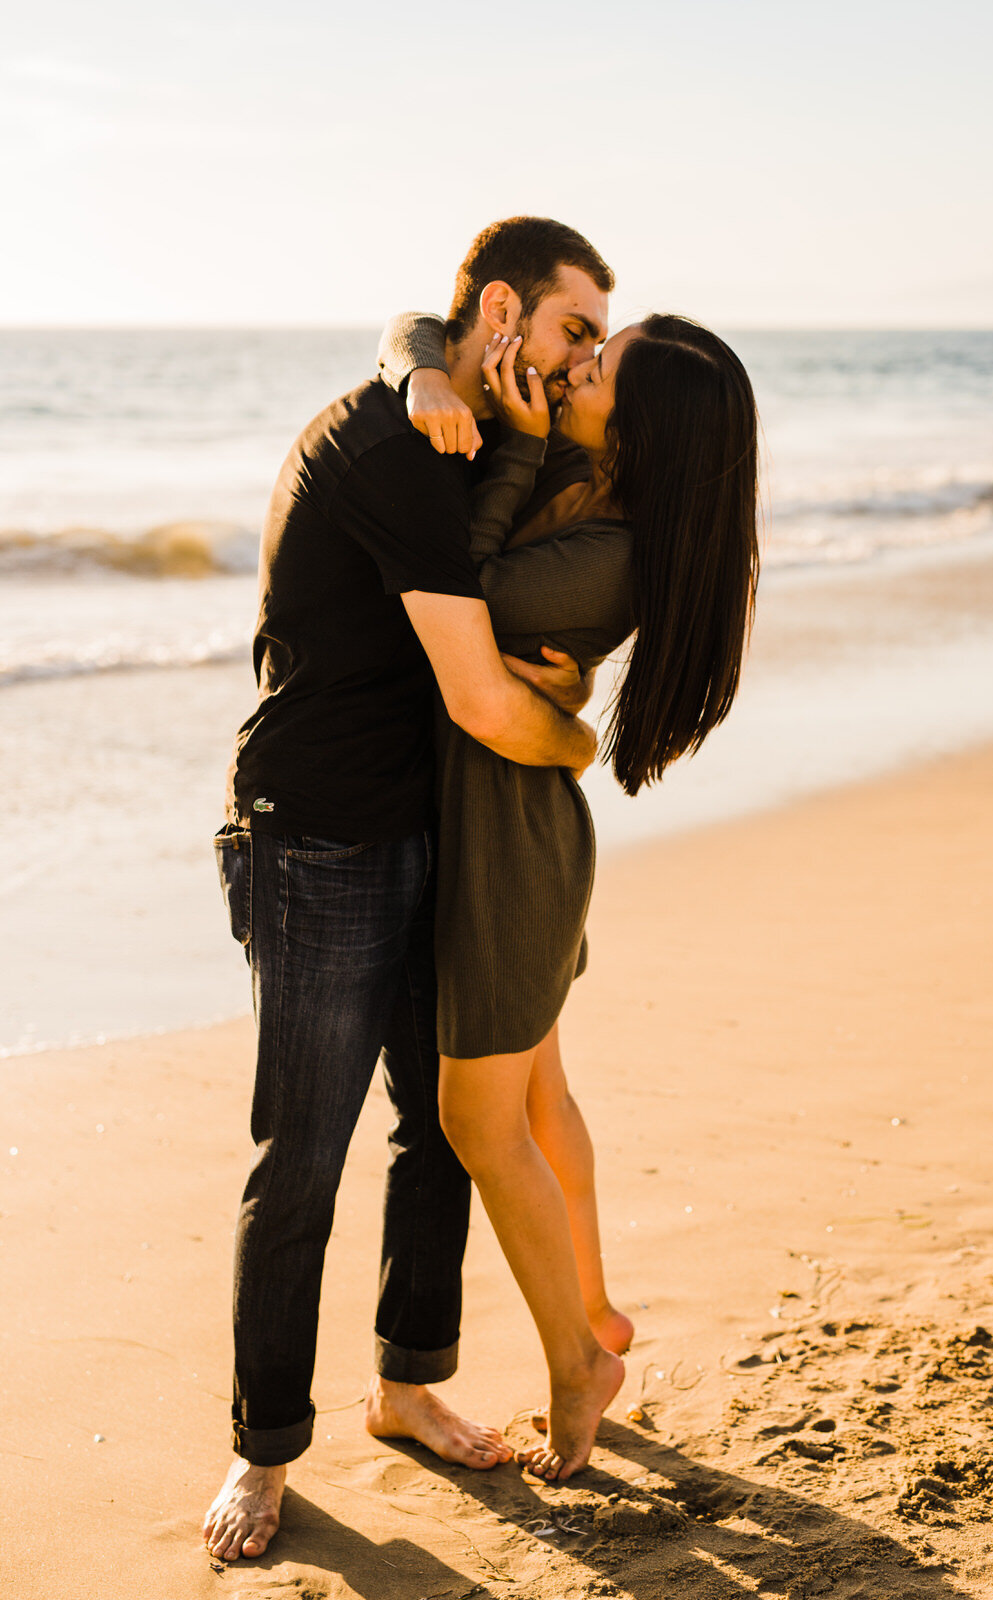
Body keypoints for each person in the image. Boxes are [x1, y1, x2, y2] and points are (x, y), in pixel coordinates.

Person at [202, 217, 616, 1564]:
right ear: (501, 313)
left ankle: (406, 1383)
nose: (575, 364)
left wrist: (427, 358)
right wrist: (579, 741)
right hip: (312, 839)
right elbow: (488, 698)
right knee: (303, 1153)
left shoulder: (462, 418)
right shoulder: (399, 451)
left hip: (421, 832)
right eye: (569, 332)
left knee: (439, 1127)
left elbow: (419, 340)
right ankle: (263, 1452)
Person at [376, 311, 760, 1481]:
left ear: (637, 426)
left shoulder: (611, 542)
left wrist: (524, 456)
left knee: (476, 1120)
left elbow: (464, 583)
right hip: (524, 831)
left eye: (603, 365)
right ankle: (595, 1313)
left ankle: (572, 1368)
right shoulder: (616, 514)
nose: (577, 366)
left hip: (509, 853)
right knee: (540, 1097)